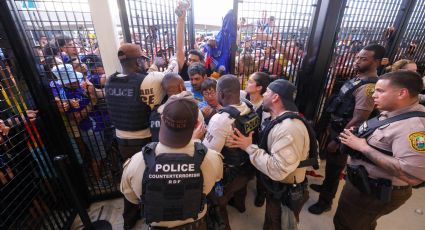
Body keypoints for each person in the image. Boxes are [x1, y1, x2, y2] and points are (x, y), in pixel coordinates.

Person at [334, 70, 425, 229]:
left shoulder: (414, 126)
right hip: (363, 184)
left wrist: (363, 147)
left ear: (402, 93)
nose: (373, 95)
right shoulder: (392, 111)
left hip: (373, 192)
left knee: (348, 225)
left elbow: (413, 176)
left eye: (380, 91)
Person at [120, 97, 223, 230]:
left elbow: (132, 198)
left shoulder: (137, 162)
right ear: (197, 124)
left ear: (162, 119)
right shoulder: (212, 159)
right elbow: (213, 183)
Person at [308, 44, 386, 215]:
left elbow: (359, 118)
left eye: (363, 59)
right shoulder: (358, 78)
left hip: (344, 134)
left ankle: (325, 202)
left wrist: (338, 140)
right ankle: (325, 187)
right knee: (330, 167)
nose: (357, 61)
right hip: (336, 128)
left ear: (377, 62)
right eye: (357, 57)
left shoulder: (368, 87)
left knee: (335, 168)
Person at [227, 79, 310, 229]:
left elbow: (278, 170)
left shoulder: (288, 129)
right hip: (279, 189)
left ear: (275, 97)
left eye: (267, 92)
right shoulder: (282, 120)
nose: (264, 94)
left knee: (275, 224)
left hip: (286, 193)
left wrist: (248, 147)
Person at [202, 74, 259, 229]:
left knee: (218, 202)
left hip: (230, 172)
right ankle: (240, 205)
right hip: (249, 165)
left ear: (221, 94)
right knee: (241, 187)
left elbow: (208, 153)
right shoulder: (249, 106)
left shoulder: (221, 119)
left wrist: (202, 135)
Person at [105, 43, 164, 162]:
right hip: (143, 141)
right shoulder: (146, 81)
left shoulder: (110, 81)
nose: (145, 63)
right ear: (138, 61)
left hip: (120, 142)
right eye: (143, 60)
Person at [244, 72, 271, 207]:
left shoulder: (265, 106)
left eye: (250, 82)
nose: (246, 84)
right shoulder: (244, 97)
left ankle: (262, 193)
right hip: (243, 140)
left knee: (260, 171)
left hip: (257, 143)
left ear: (259, 87)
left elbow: (265, 129)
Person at [175, 1, 204, 81]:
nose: (190, 63)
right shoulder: (184, 68)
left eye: (194, 61)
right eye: (189, 60)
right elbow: (180, 49)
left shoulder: (204, 72)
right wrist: (181, 20)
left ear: (200, 62)